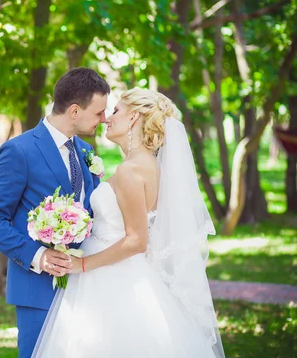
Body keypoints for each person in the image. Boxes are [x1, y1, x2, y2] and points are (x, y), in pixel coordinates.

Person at [31, 87, 225, 358]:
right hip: (127, 271)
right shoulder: (150, 165)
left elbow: (136, 240)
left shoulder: (131, 171)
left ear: (134, 118)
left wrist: (82, 264)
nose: (107, 118)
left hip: (111, 277)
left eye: (116, 111)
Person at [0, 67, 110, 358]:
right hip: (38, 288)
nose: (104, 119)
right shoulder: (19, 150)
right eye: (99, 112)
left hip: (85, 286)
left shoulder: (86, 151)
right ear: (74, 111)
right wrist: (39, 256)